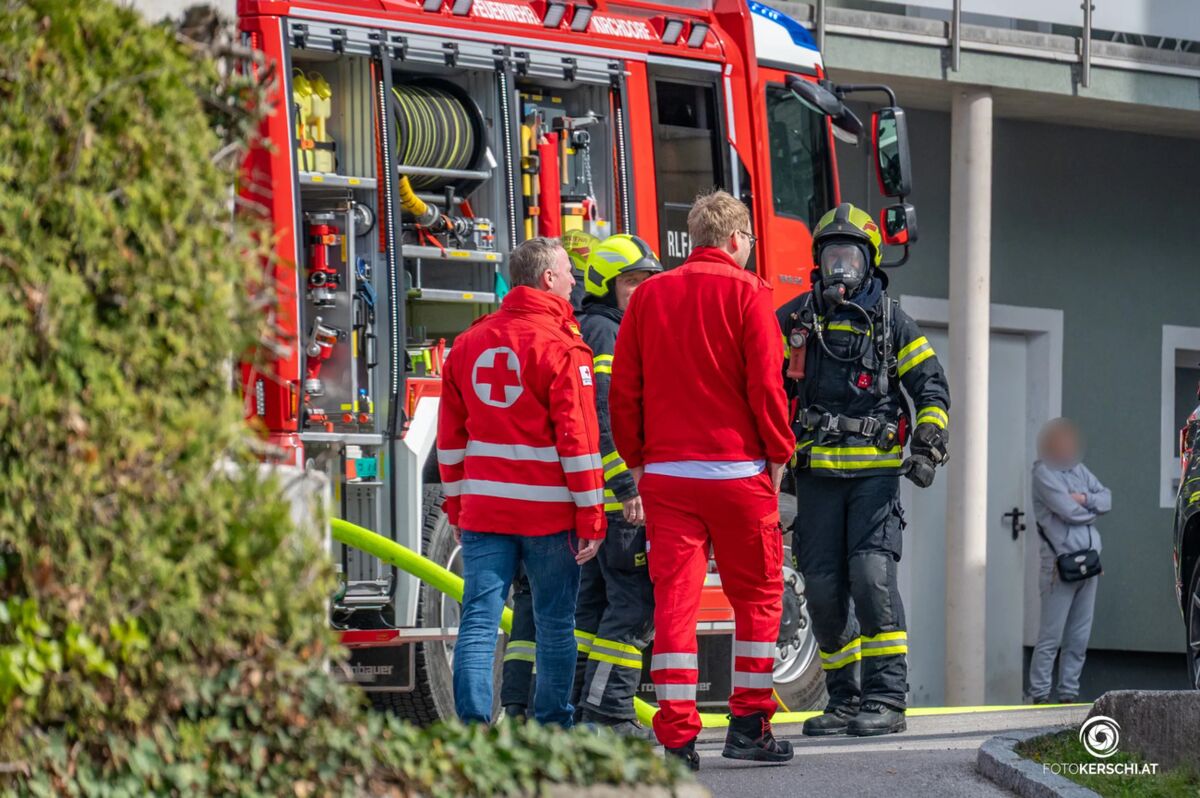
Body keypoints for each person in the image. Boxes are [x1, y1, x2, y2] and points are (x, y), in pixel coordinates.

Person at [610, 190, 796, 769]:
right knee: (758, 599)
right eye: (750, 241)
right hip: (738, 473)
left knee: (675, 605)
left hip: (667, 477)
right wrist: (779, 451)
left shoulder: (649, 295)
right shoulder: (750, 293)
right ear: (737, 239)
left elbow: (625, 387)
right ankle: (749, 726)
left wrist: (636, 460)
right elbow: (766, 383)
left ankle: (676, 739)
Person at [777, 203, 950, 738]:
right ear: (818, 261)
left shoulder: (893, 324)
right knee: (822, 591)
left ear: (870, 263)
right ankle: (845, 700)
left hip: (874, 482)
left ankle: (886, 698)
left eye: (850, 258)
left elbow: (932, 388)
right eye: (833, 257)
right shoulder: (796, 321)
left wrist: (928, 443)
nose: (841, 269)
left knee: (872, 580)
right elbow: (762, 387)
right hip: (815, 481)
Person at [438, 237, 606, 726]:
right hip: (548, 516)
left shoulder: (469, 343)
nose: (574, 280)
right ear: (548, 278)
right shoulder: (562, 347)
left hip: (485, 513)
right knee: (555, 624)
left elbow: (450, 440)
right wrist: (592, 515)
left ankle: (472, 729)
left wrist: (456, 506)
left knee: (478, 620)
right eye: (568, 271)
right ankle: (552, 726)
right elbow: (578, 441)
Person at [571, 234, 663, 735]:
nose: (641, 290)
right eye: (631, 282)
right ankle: (608, 714)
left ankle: (578, 713)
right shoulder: (608, 334)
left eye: (648, 281)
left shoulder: (593, 327)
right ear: (606, 285)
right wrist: (628, 487)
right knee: (633, 608)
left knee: (591, 613)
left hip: (594, 503)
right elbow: (604, 419)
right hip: (619, 505)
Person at [1028, 418, 1110, 704]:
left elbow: (1107, 499)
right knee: (1050, 636)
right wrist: (1091, 508)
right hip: (1058, 566)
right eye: (1060, 441)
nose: (1066, 446)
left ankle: (1068, 694)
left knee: (1079, 636)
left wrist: (1082, 498)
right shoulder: (1043, 473)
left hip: (1090, 564)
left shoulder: (1078, 470)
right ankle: (1039, 695)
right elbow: (1068, 511)